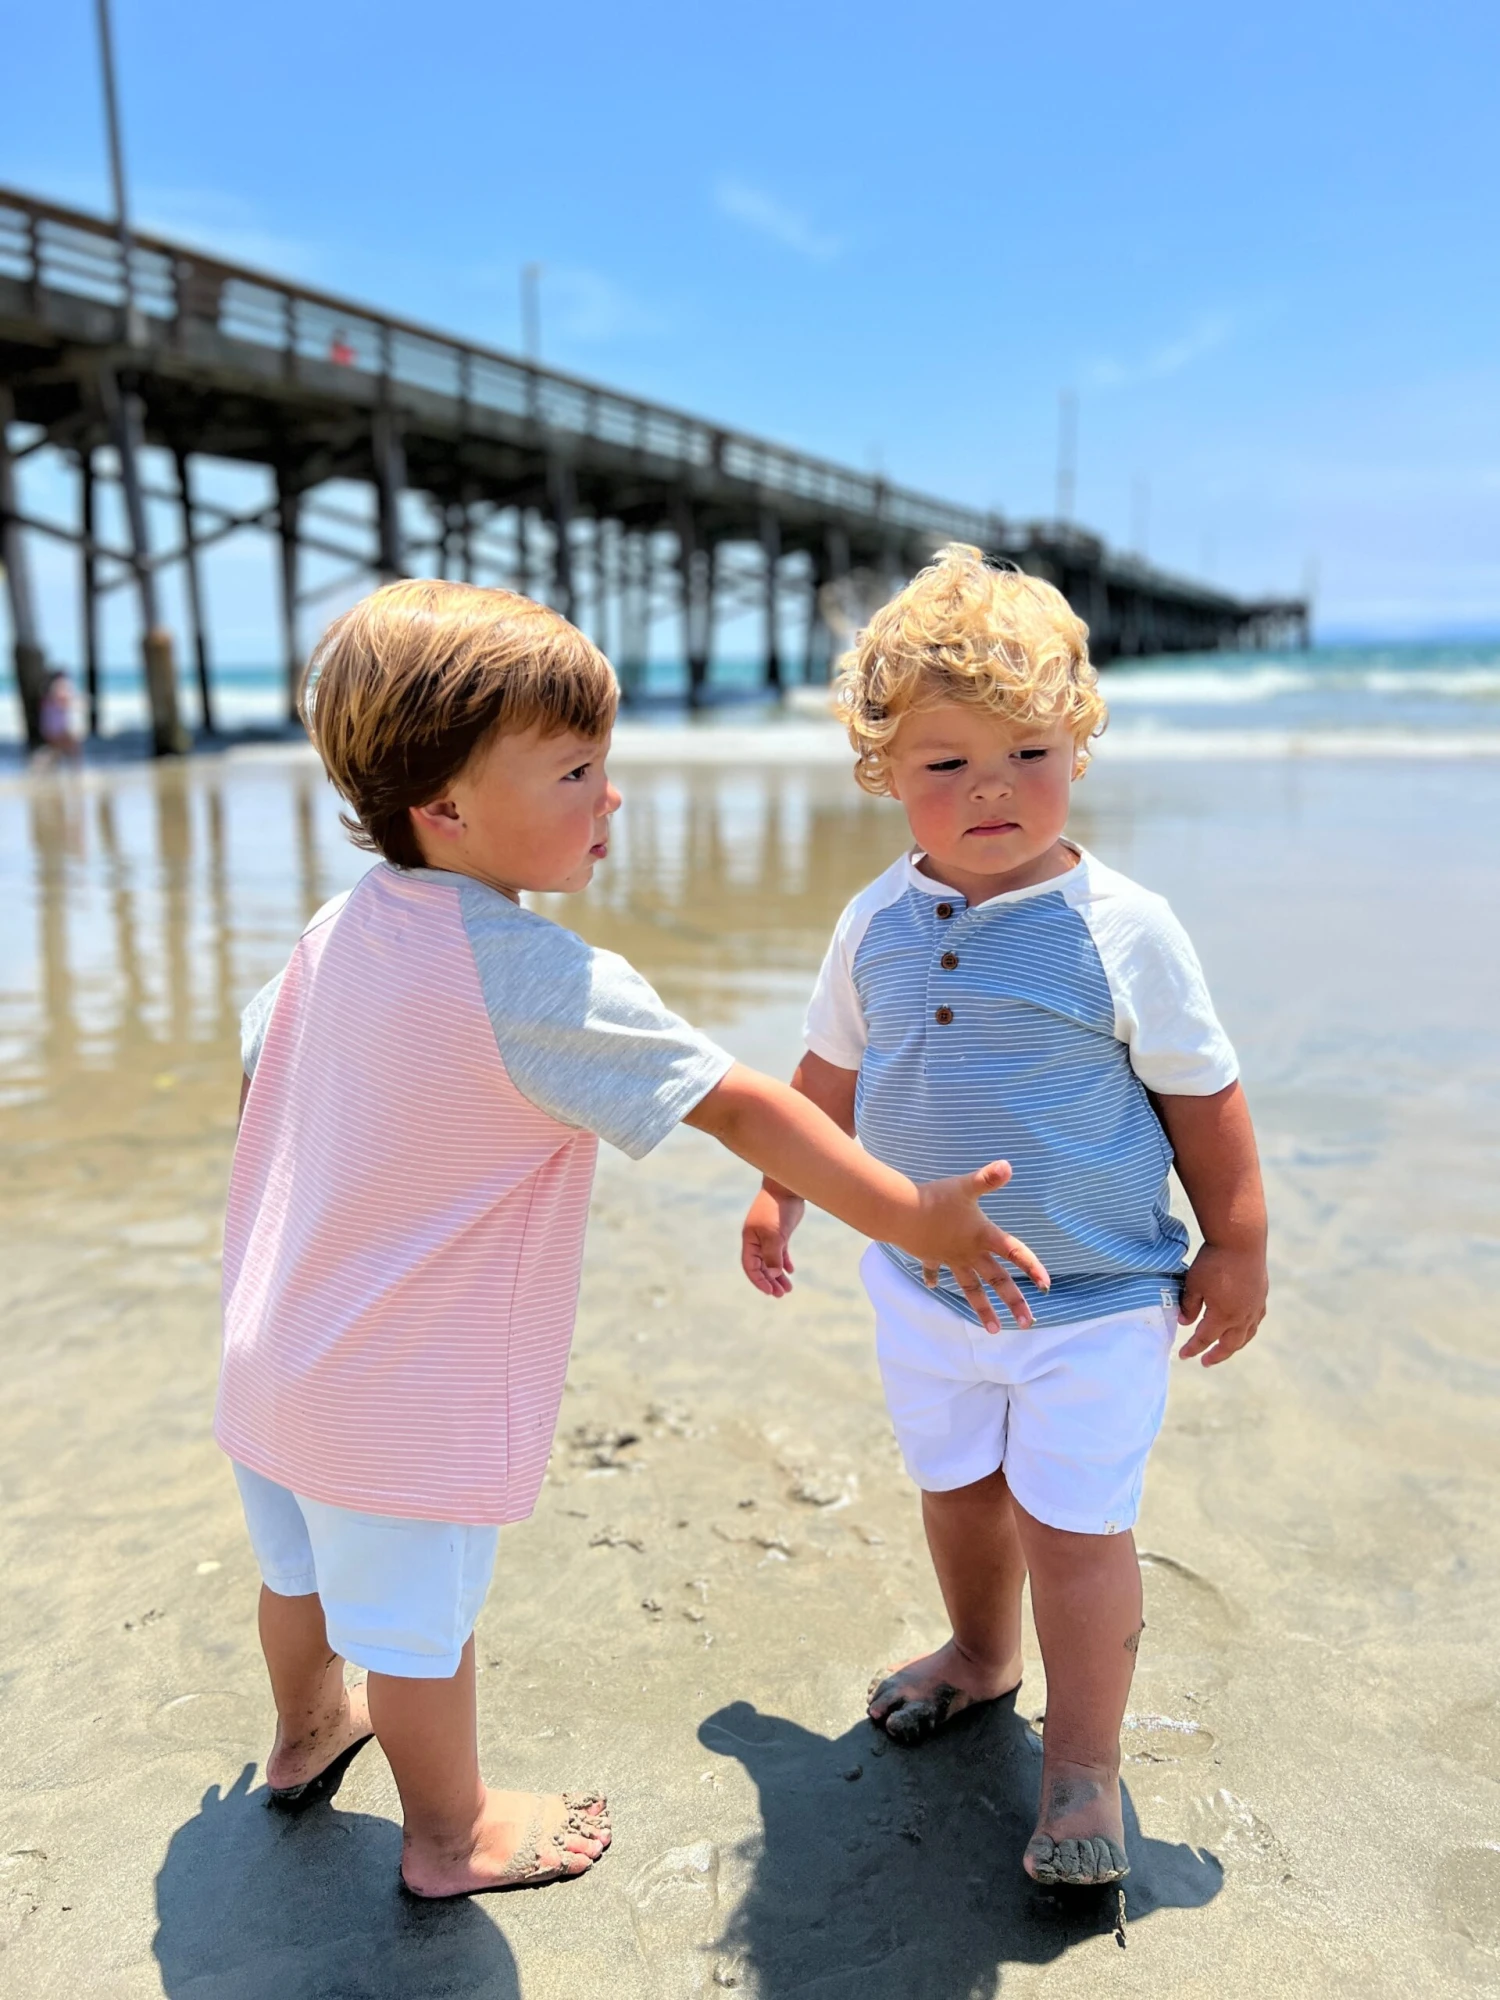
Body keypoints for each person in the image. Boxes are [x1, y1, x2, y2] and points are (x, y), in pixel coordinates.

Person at [220, 578, 1047, 1901]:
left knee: (302, 1575)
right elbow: (740, 1104)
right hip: (396, 1395)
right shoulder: (535, 978)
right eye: (578, 771)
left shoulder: (340, 928)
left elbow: (262, 1063)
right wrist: (911, 1215)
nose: (612, 800)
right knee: (422, 1629)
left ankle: (304, 1730)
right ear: (444, 808)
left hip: (273, 1351)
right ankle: (452, 1836)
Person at [740, 544, 1267, 1888]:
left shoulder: (1123, 927)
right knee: (959, 1492)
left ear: (1080, 746)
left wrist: (1238, 1244)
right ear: (882, 774)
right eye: (944, 763)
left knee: (1075, 1534)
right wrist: (779, 1187)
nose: (990, 790)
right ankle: (981, 1656)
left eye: (1028, 753)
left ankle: (1084, 1767)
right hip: (923, 1293)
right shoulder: (873, 922)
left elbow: (1205, 1098)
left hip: (1090, 1303)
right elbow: (825, 1076)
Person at [37, 669, 82, 763]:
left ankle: (46, 766)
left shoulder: (47, 696)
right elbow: (64, 701)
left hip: (50, 730)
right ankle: (75, 773)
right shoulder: (56, 693)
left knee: (58, 751)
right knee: (73, 748)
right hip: (55, 731)